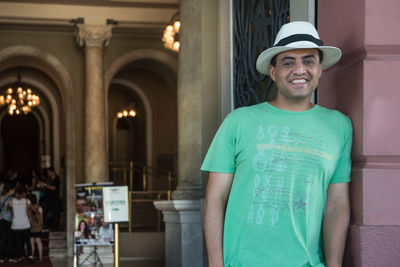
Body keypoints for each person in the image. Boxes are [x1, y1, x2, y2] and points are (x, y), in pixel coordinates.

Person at [202, 21, 352, 267]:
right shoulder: (238, 121)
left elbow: (337, 204)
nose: (299, 69)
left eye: (308, 61)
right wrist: (216, 264)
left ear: (320, 69)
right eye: (288, 62)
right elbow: (215, 197)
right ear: (274, 72)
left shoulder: (340, 126)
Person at [10, 184, 34, 264]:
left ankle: (20, 258)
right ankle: (30, 257)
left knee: (18, 242)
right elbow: (33, 209)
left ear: (16, 193)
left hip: (16, 224)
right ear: (23, 193)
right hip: (25, 224)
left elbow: (9, 209)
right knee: (27, 241)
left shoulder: (12, 201)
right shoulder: (27, 201)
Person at [0, 182, 15, 263]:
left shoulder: (1, 198)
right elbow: (13, 211)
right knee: (10, 239)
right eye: (13, 190)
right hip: (8, 221)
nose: (14, 191)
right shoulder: (12, 199)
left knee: (3, 239)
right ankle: (10, 257)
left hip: (2, 220)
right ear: (10, 190)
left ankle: (1, 258)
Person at [28, 194, 43, 262]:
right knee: (39, 242)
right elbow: (42, 219)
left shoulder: (29, 208)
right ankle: (40, 257)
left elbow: (29, 218)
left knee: (32, 243)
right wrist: (42, 227)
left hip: (31, 227)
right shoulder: (40, 208)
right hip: (38, 227)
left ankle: (32, 256)